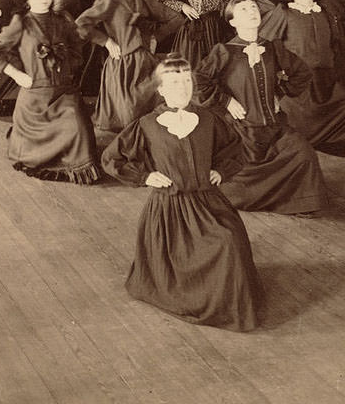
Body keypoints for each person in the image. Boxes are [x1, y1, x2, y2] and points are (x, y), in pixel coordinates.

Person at [102, 55, 262, 331]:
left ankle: (229, 303)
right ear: (160, 88)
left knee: (230, 239)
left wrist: (221, 171)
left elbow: (235, 149)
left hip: (208, 203)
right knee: (220, 245)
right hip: (170, 209)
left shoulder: (209, 119)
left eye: (187, 81)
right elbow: (111, 158)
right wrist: (145, 176)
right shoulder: (148, 125)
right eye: (174, 82)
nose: (182, 88)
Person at [195, 0, 329, 215]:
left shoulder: (273, 47)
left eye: (254, 7)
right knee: (235, 185)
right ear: (232, 21)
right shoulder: (224, 51)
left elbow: (302, 72)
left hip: (274, 127)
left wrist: (280, 92)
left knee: (304, 153)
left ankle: (294, 202)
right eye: (244, 9)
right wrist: (227, 101)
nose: (251, 11)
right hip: (241, 132)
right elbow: (199, 81)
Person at [0, 0, 101, 183]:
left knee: (78, 125)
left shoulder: (63, 19)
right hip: (35, 96)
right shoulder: (21, 23)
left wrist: (67, 65)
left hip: (64, 92)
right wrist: (17, 74)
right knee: (72, 127)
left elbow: (77, 48)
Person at [74, 0, 183, 142]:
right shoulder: (108, 1)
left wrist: (156, 37)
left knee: (155, 113)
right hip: (122, 66)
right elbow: (81, 25)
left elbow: (176, 18)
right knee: (129, 117)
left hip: (147, 63)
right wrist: (106, 41)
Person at [260, 0, 345, 156]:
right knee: (299, 115)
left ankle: (332, 140)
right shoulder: (284, 12)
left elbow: (336, 42)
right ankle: (304, 141)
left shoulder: (323, 12)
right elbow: (265, 41)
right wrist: (279, 71)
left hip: (327, 77)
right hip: (299, 80)